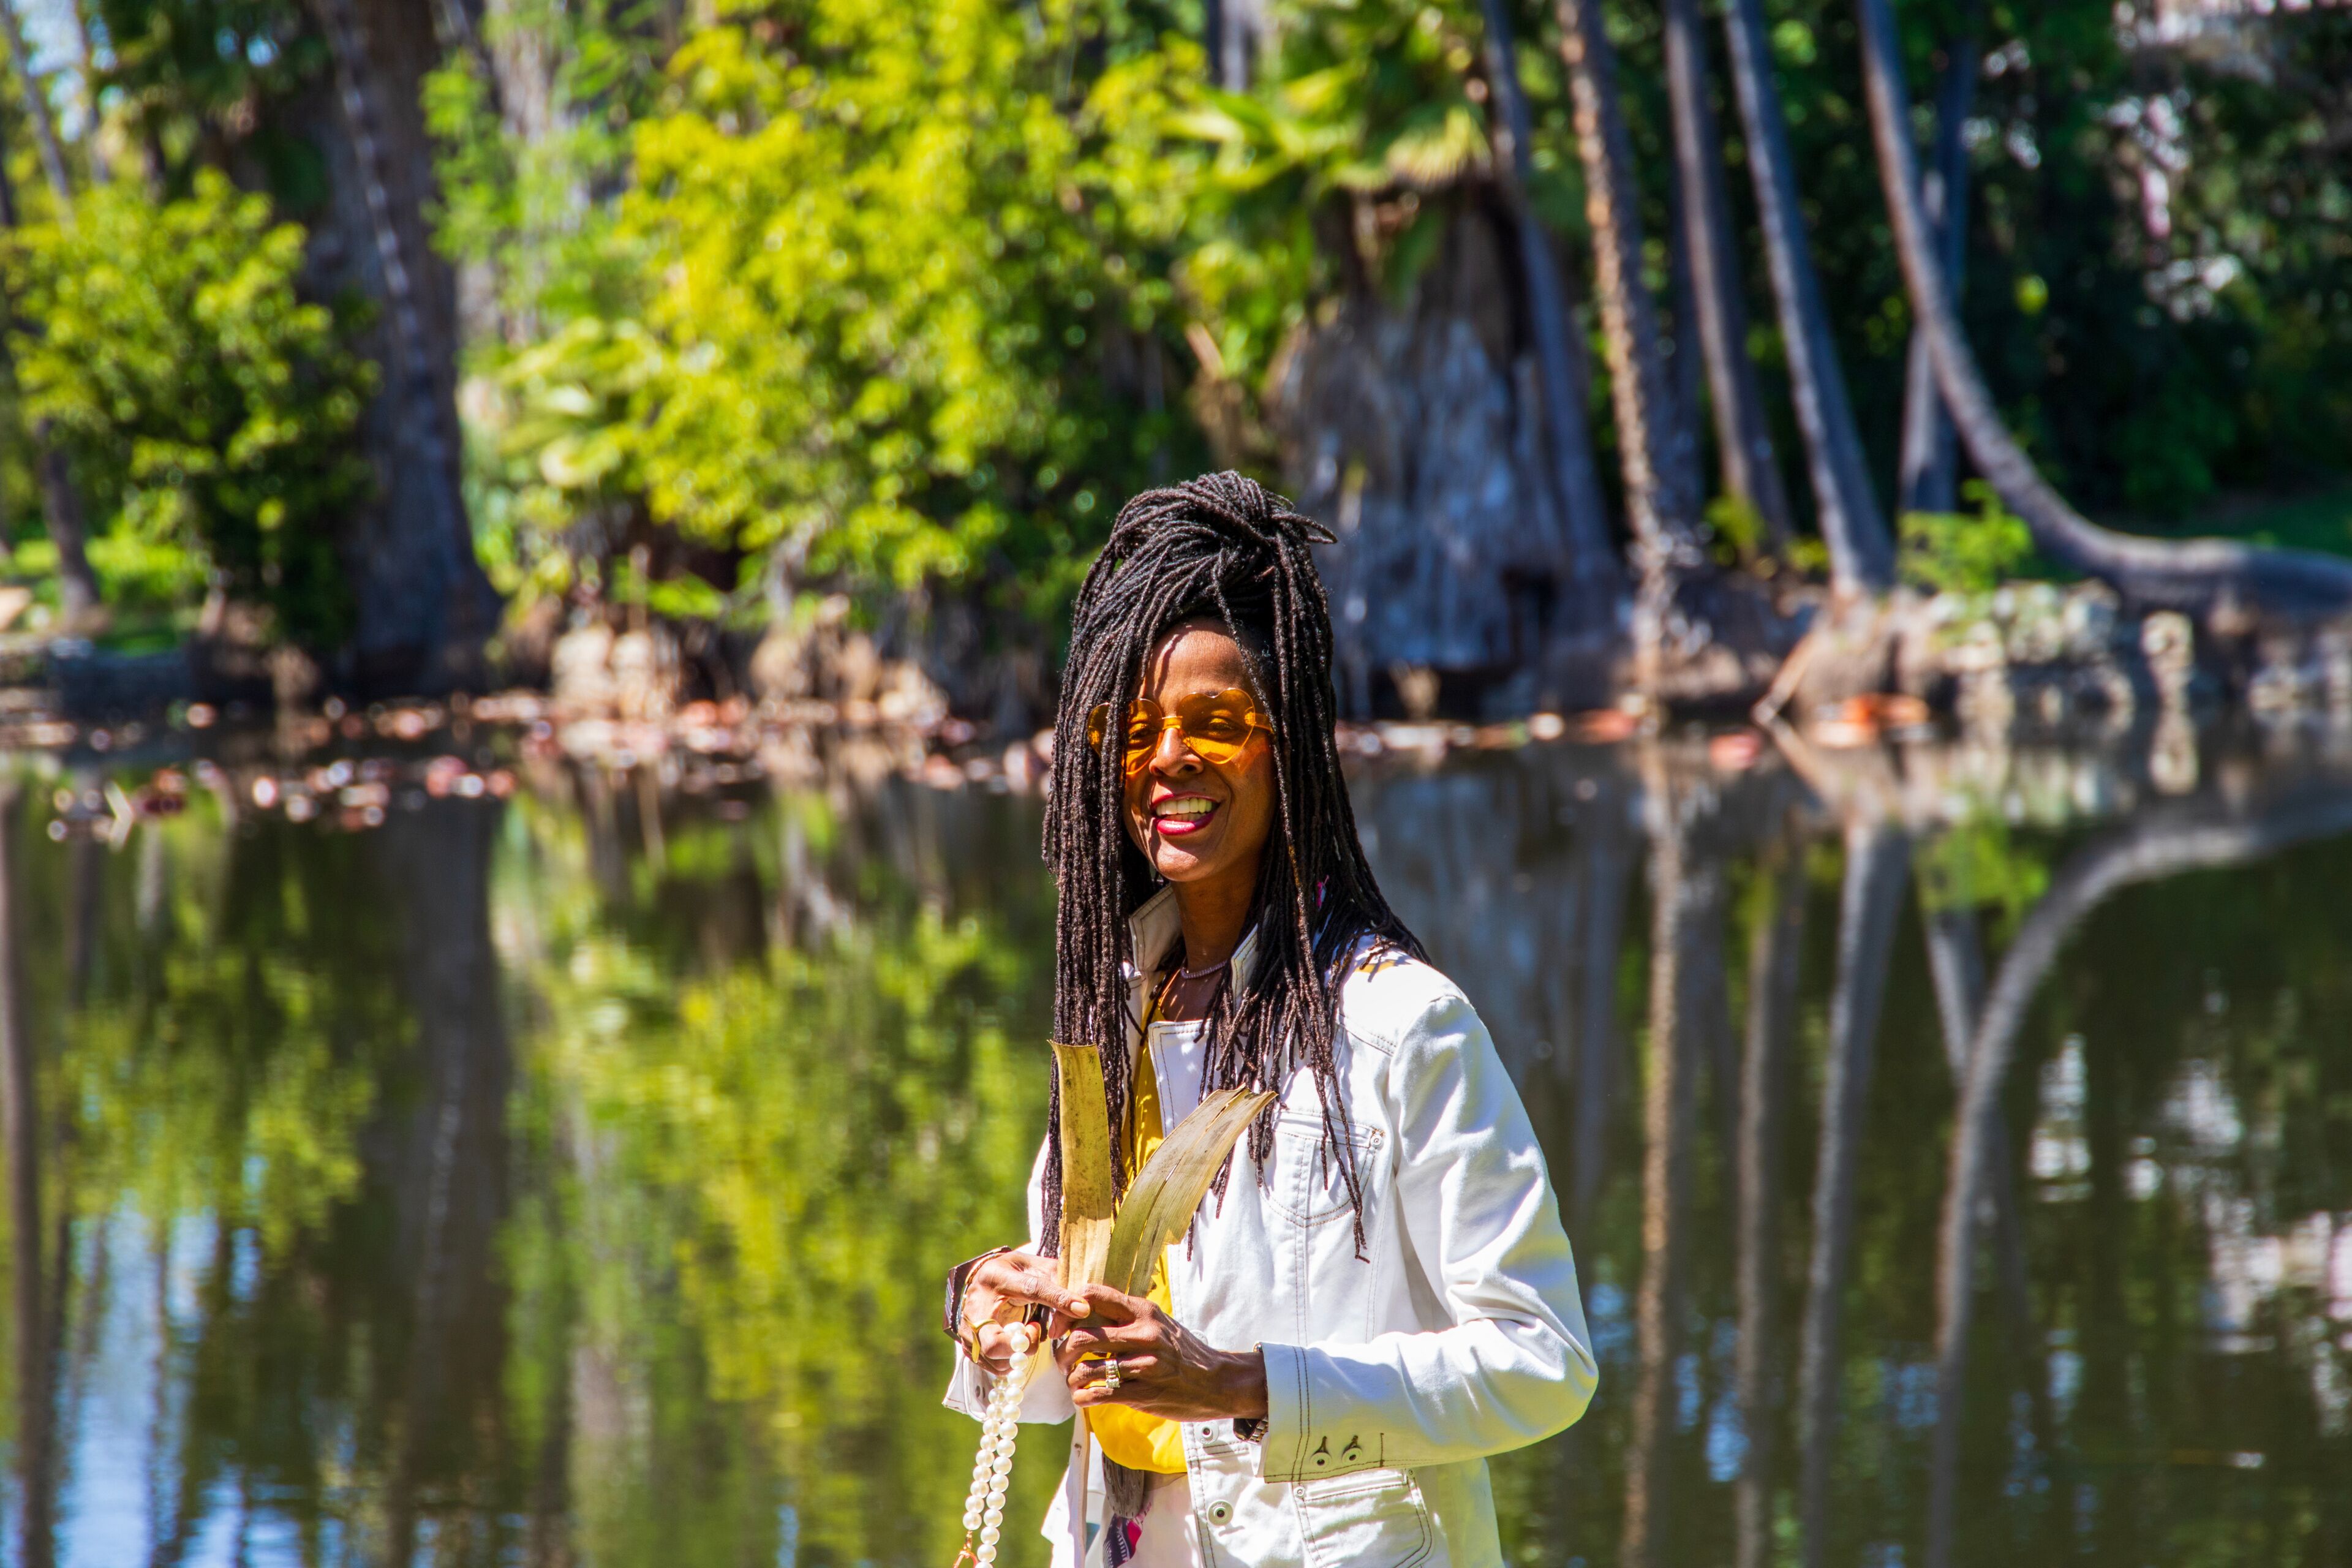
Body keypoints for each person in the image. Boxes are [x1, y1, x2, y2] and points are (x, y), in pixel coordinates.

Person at [943, 473, 1595, 1568]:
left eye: (1216, 723)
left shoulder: (1397, 1025)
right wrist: (991, 1307)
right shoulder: (1109, 1019)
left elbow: (1547, 1361)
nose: (1167, 760)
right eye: (1134, 729)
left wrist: (1243, 1386)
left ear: (1287, 744)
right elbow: (1074, 1380)